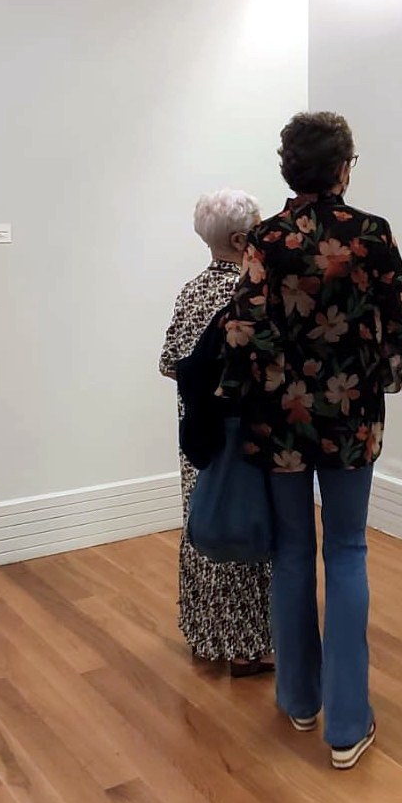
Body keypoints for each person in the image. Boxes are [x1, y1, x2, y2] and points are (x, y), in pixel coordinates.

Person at [219, 113, 402, 768]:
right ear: (342, 168)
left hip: (279, 420)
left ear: (290, 168)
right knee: (347, 550)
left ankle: (299, 700)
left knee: (292, 552)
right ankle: (348, 724)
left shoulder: (264, 239)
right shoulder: (371, 234)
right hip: (350, 418)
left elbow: (243, 329)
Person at [160, 189, 274, 678]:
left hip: (198, 435)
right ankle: (248, 649)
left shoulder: (190, 291)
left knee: (203, 526)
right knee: (245, 531)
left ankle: (206, 635)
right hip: (241, 435)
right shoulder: (248, 296)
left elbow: (169, 362)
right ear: (241, 239)